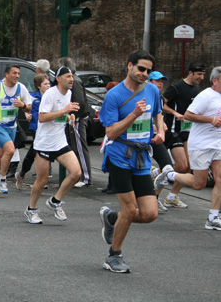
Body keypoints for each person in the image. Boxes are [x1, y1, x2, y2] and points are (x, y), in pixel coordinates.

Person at [98, 50, 163, 274]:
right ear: (129, 66)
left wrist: (161, 130)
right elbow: (111, 133)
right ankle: (113, 256)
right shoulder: (114, 95)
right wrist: (134, 114)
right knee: (130, 208)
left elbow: (158, 114)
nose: (144, 73)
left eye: (148, 70)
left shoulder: (152, 90)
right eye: (141, 69)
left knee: (149, 214)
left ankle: (111, 218)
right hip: (119, 156)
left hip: (142, 157)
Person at [153, 66, 221, 230]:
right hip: (201, 144)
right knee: (199, 184)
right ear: (215, 81)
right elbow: (189, 115)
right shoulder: (205, 96)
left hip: (218, 144)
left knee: (220, 179)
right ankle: (168, 175)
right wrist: (211, 120)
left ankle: (213, 218)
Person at [24, 66, 81, 224]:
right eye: (68, 76)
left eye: (72, 76)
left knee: (76, 173)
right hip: (44, 143)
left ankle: (55, 201)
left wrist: (70, 117)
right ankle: (31, 209)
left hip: (60, 141)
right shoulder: (50, 94)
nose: (71, 79)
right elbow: (42, 118)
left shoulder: (68, 93)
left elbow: (64, 113)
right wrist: (65, 110)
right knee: (41, 181)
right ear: (59, 79)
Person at [158, 62, 206, 209]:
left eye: (203, 74)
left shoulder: (196, 89)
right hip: (173, 130)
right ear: (190, 73)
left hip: (187, 131)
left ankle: (172, 197)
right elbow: (161, 104)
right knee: (181, 165)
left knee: (187, 168)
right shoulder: (176, 87)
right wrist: (175, 113)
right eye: (199, 74)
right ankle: (155, 186)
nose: (202, 77)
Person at [0, 64, 32, 195]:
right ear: (7, 74)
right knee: (10, 150)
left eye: (18, 74)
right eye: (14, 73)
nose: (17, 76)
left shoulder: (21, 88)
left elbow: (29, 107)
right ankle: (2, 180)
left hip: (11, 126)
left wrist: (22, 105)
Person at [59, 57, 92, 188]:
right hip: (76, 118)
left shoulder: (75, 82)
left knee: (80, 148)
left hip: (77, 119)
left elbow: (79, 101)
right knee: (77, 147)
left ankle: (86, 177)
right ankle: (82, 175)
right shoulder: (76, 80)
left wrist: (74, 117)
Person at [146, 71, 175, 213]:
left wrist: (161, 126)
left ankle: (155, 199)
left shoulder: (160, 98)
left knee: (167, 167)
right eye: (157, 80)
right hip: (141, 139)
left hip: (156, 138)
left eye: (162, 81)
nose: (160, 83)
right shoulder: (142, 95)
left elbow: (158, 115)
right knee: (137, 171)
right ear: (149, 81)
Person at [16, 74, 50, 188]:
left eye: (49, 83)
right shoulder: (33, 97)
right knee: (41, 151)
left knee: (33, 151)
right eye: (45, 84)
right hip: (36, 127)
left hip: (48, 127)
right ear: (39, 86)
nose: (48, 86)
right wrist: (26, 115)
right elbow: (26, 108)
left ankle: (22, 173)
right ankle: (41, 178)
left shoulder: (51, 96)